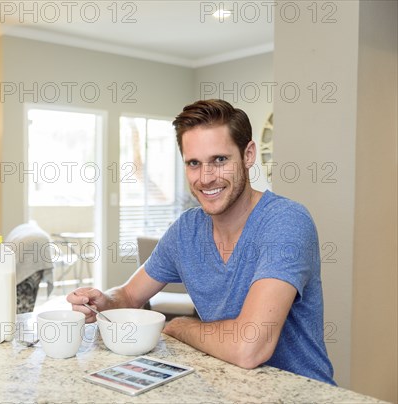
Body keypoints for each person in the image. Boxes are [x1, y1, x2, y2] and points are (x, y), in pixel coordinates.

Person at [67, 99, 335, 385]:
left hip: (301, 393)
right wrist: (103, 301)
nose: (206, 178)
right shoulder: (187, 230)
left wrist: (180, 326)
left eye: (219, 160)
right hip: (230, 387)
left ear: (248, 155)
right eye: (194, 163)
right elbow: (130, 296)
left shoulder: (286, 221)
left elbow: (249, 347)